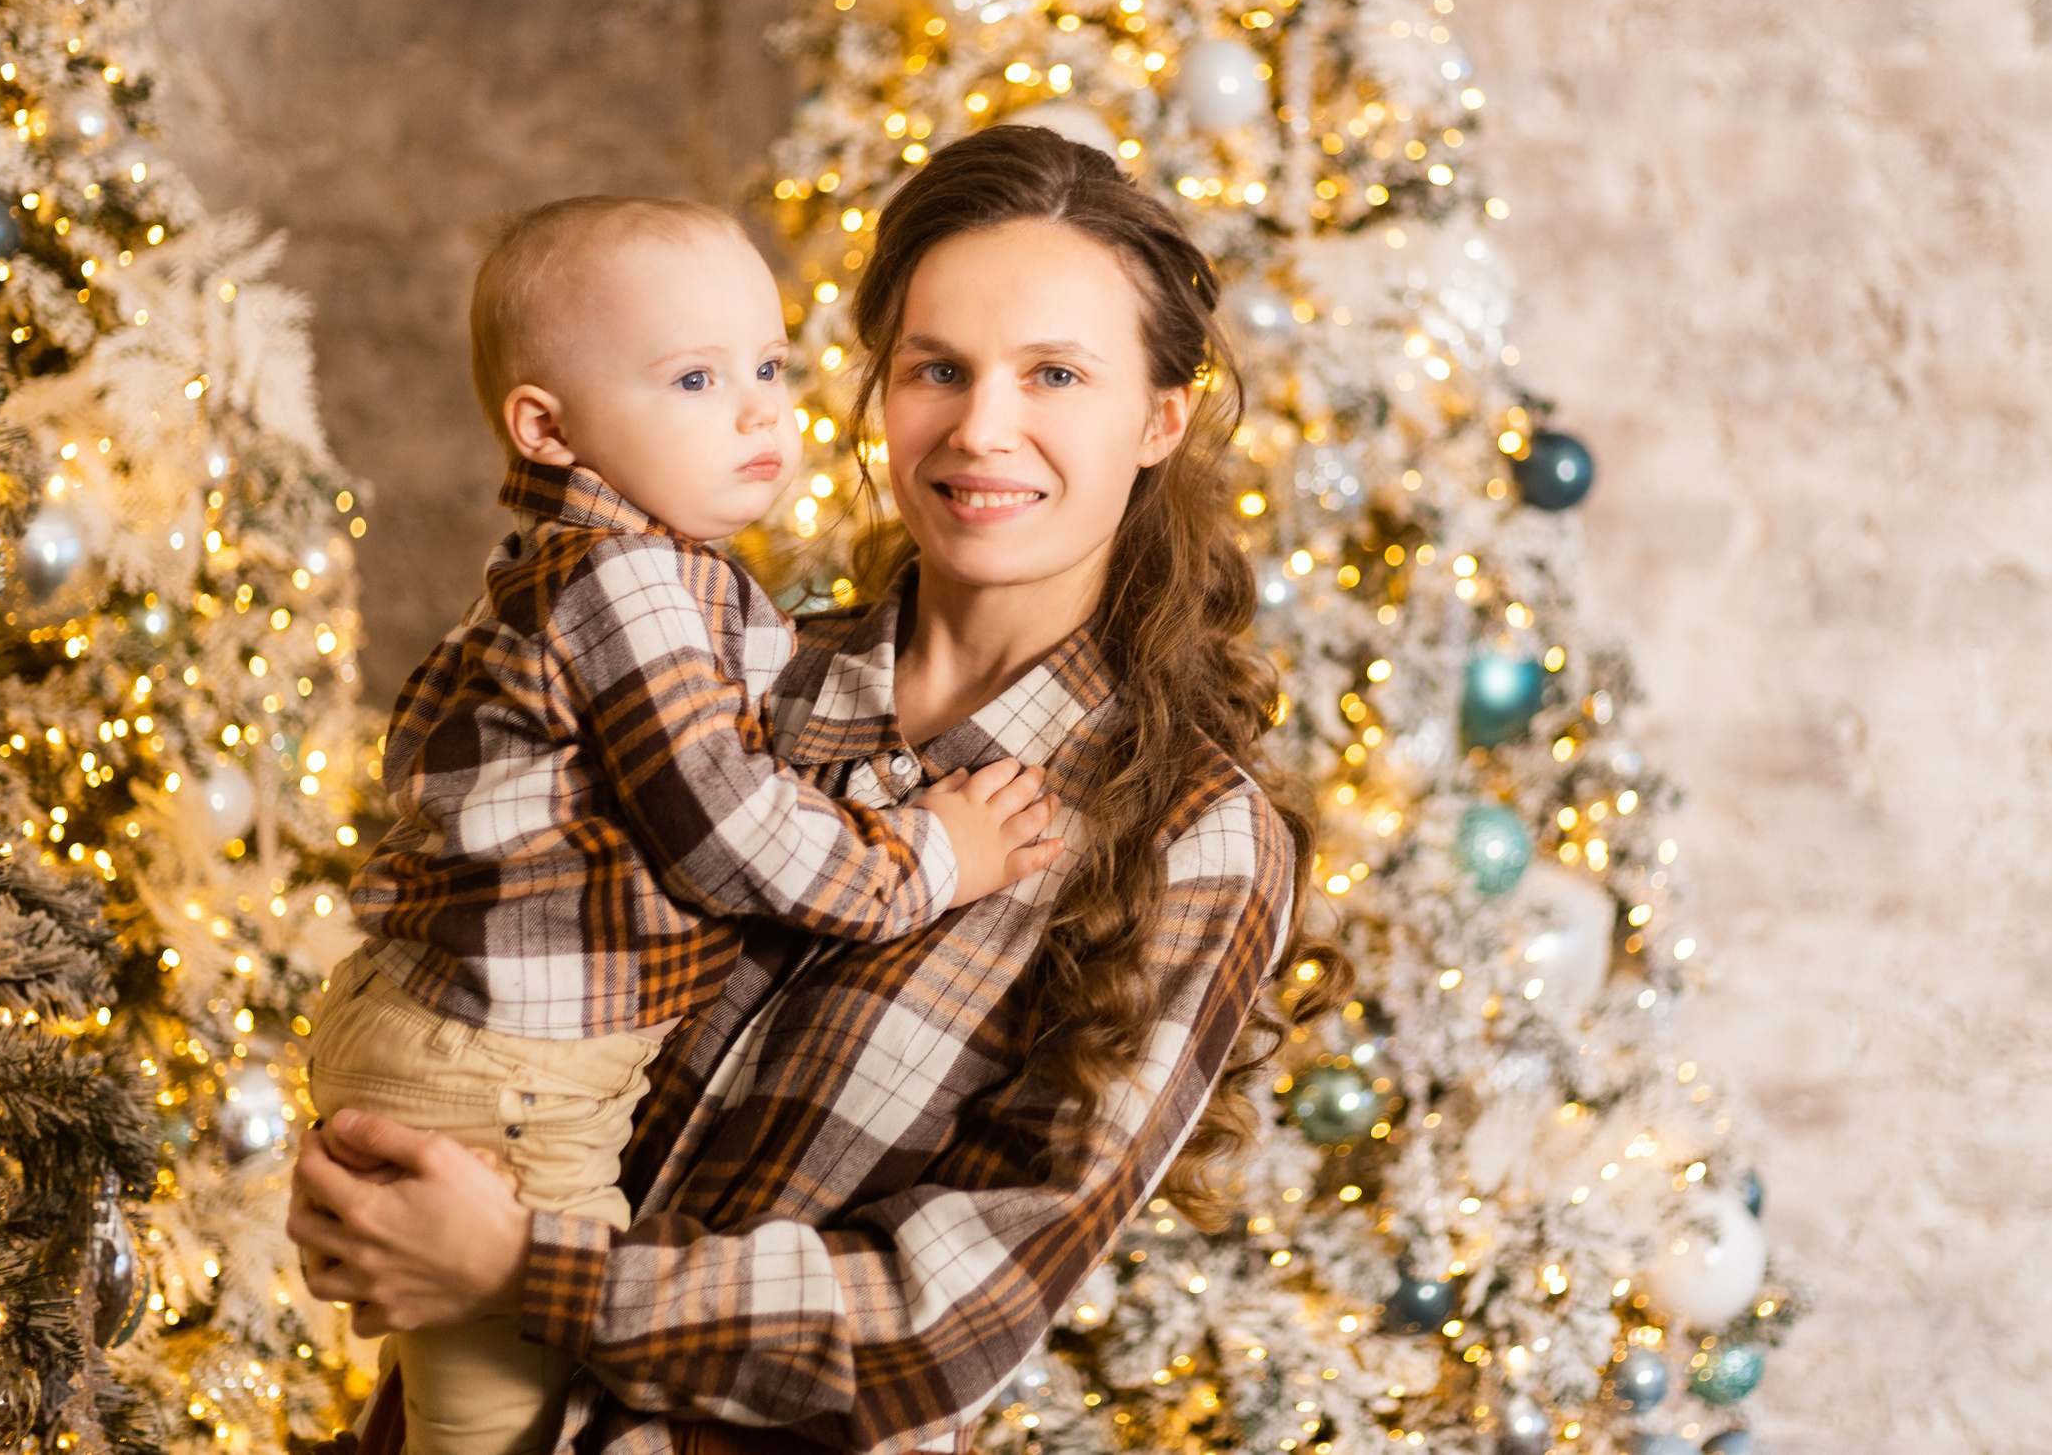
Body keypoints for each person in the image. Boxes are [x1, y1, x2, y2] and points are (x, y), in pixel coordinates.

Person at [289, 127, 1344, 1455]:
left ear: (1160, 418)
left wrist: (522, 1269)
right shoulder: (734, 676)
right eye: (938, 368)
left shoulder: (1191, 830)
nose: (982, 427)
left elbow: (952, 1313)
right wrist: (381, 1182)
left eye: (1055, 373)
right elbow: (486, 943)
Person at [309, 195, 1062, 1455]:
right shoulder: (621, 581)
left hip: (494, 1046)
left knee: (503, 1378)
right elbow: (732, 831)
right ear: (548, 428)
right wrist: (937, 856)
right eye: (697, 378)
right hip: (506, 1069)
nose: (762, 410)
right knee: (499, 1421)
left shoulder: (685, 580)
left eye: (769, 366)